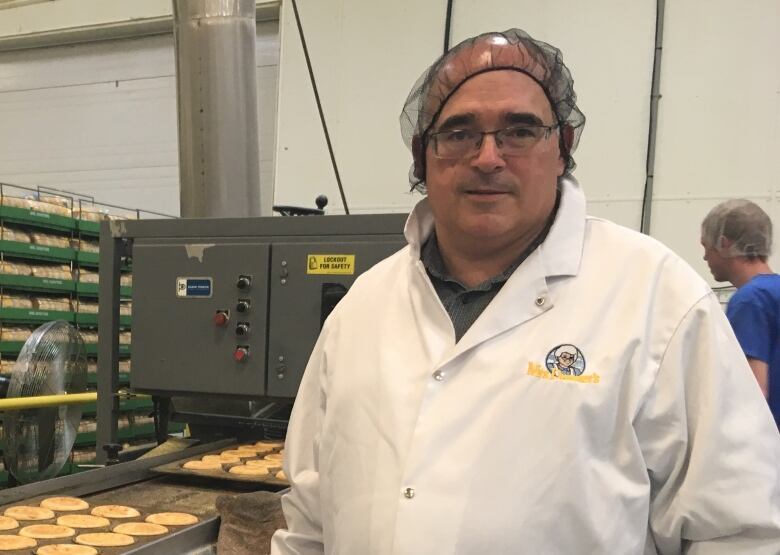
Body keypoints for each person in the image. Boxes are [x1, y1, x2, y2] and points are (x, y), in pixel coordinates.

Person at [272, 29, 780, 555]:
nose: (488, 157)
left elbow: (742, 532)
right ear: (424, 157)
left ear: (562, 148)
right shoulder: (364, 307)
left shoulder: (657, 299)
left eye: (519, 130)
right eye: (459, 131)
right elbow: (309, 518)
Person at [701, 199, 780, 426]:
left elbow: (752, 392)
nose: (705, 257)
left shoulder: (751, 301)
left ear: (724, 243)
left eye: (706, 246)